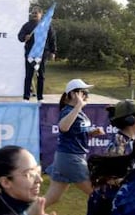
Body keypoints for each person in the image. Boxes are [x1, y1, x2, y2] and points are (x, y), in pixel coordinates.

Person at [77, 99, 135, 215]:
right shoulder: (119, 144)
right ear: (130, 119)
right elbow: (109, 177)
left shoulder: (129, 142)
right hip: (107, 201)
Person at [44, 79, 105, 208]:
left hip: (68, 157)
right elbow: (63, 127)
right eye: (83, 92)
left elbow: (76, 131)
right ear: (72, 94)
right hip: (71, 158)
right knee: (98, 194)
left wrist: (91, 132)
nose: (86, 95)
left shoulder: (78, 111)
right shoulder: (69, 111)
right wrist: (78, 106)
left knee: (51, 198)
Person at [18, 6, 56, 101]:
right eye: (33, 13)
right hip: (30, 54)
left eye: (36, 13)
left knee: (41, 76)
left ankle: (40, 98)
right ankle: (26, 97)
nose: (34, 14)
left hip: (42, 53)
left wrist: (53, 51)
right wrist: (24, 37)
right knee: (28, 76)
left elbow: (52, 38)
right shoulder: (26, 25)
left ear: (41, 14)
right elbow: (20, 36)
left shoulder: (46, 25)